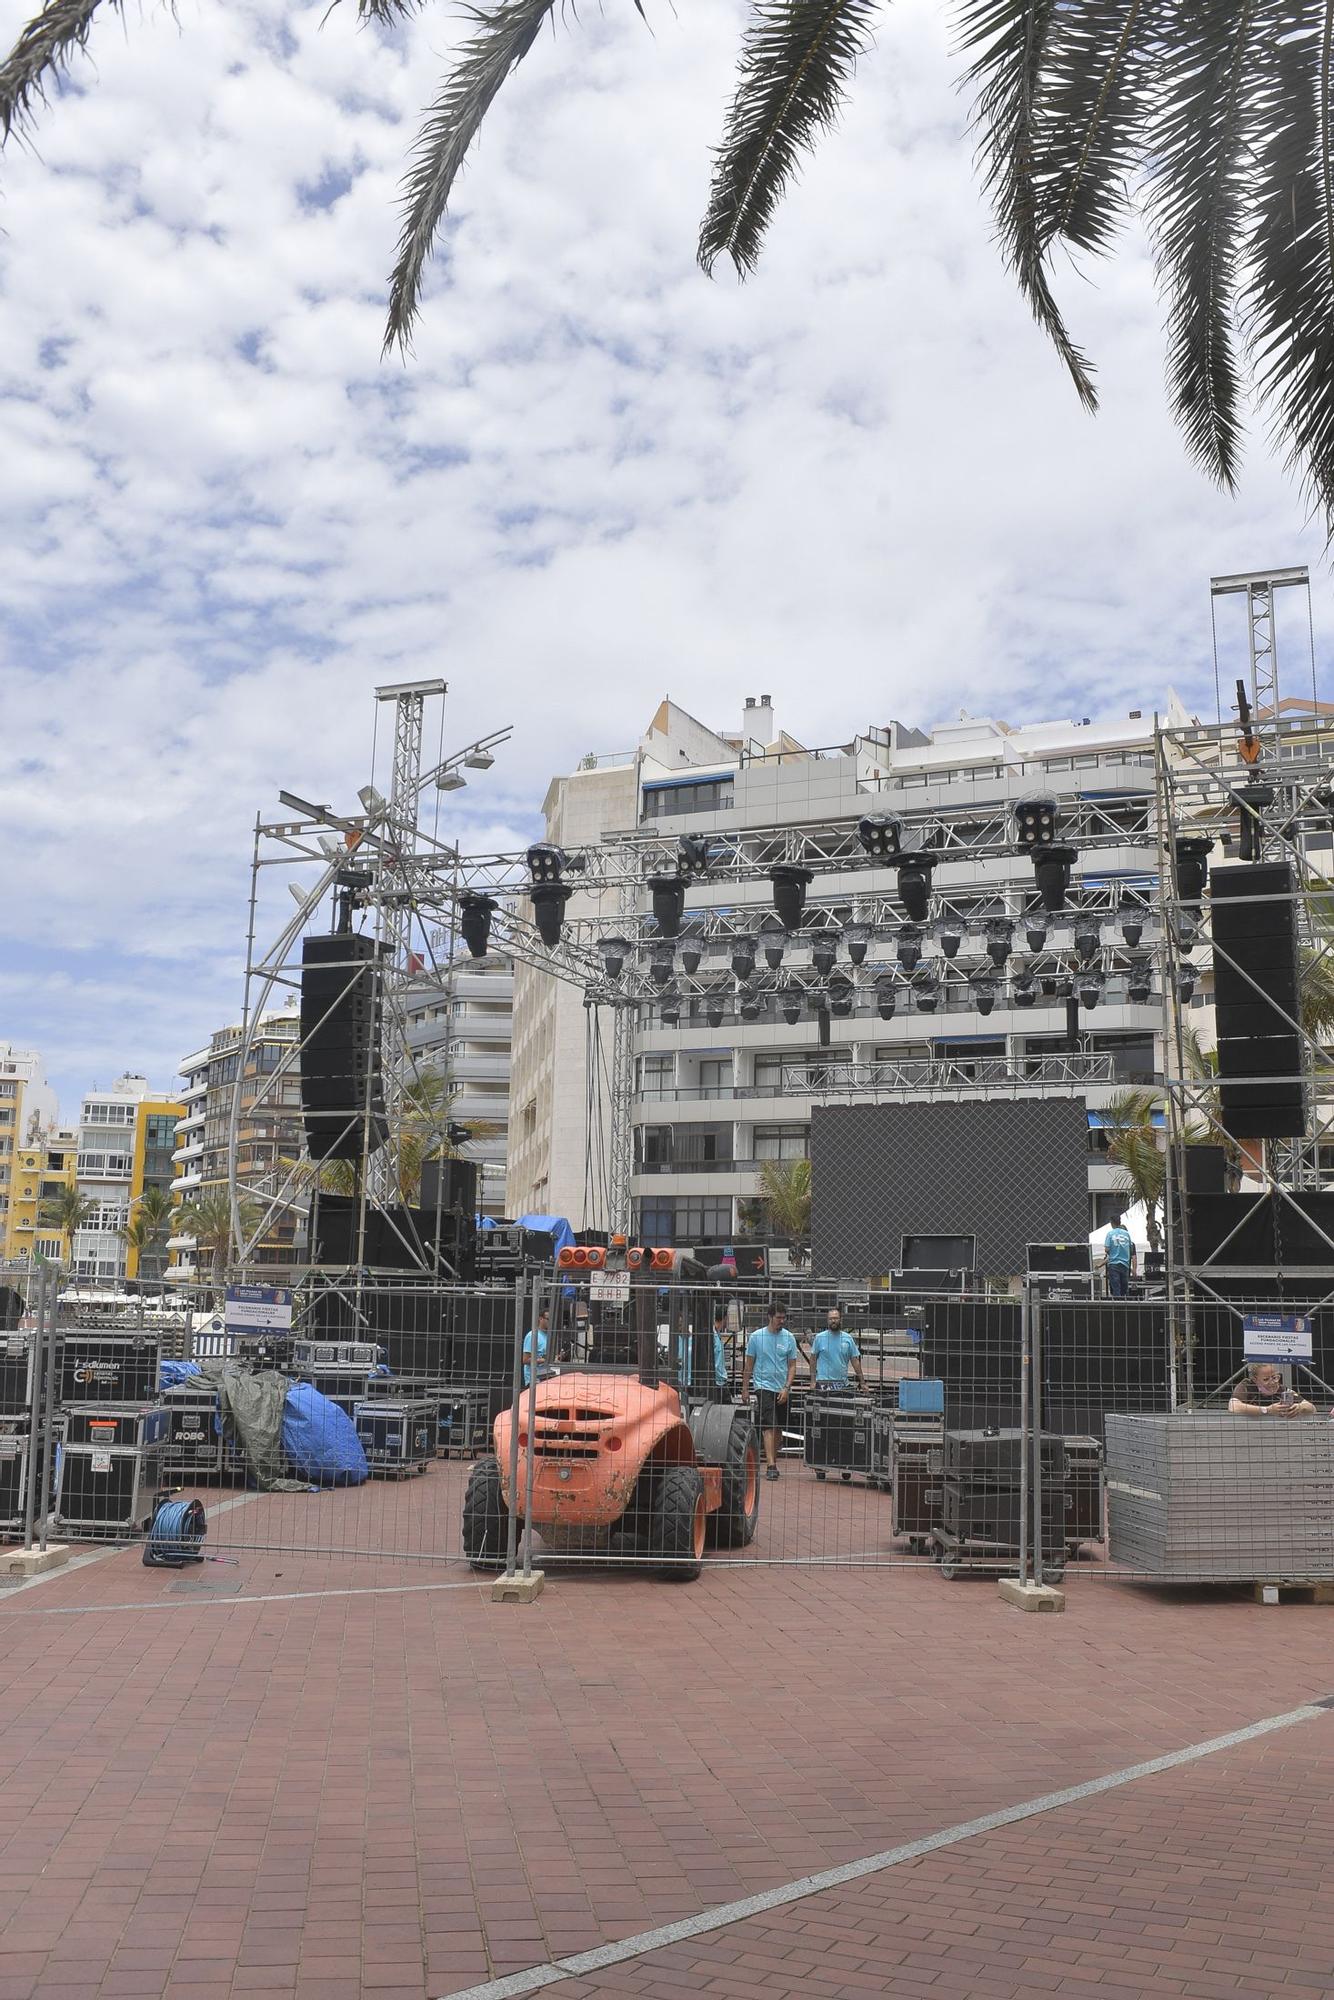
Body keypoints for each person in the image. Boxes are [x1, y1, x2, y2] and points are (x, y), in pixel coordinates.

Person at [742, 1302, 799, 1480]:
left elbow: (792, 1365)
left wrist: (787, 1387)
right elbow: (749, 1365)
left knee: (778, 1427)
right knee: (769, 1424)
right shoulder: (756, 1337)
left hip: (781, 1387)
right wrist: (745, 1388)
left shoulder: (789, 1338)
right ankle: (770, 1464)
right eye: (778, 1318)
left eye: (784, 1318)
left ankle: (773, 1457)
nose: (781, 1321)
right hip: (763, 1385)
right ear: (770, 1317)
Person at [810, 1307, 865, 1394]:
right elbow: (813, 1360)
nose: (833, 1321)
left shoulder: (848, 1338)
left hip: (842, 1384)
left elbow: (855, 1362)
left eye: (835, 1318)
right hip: (823, 1384)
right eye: (831, 1319)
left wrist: (862, 1382)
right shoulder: (819, 1338)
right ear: (827, 1320)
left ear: (840, 1320)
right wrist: (813, 1381)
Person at [1228, 1362, 1315, 1417]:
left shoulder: (1283, 1390)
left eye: (1275, 1377)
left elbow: (1312, 1408)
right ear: (1255, 1380)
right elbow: (1233, 1406)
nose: (1272, 1382)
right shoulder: (1247, 1386)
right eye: (1266, 1379)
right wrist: (1267, 1410)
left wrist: (1299, 1407)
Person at [1103, 1214, 1136, 1298]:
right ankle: (1125, 1304)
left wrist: (1113, 1252)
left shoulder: (1110, 1234)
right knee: (1124, 1288)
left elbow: (1107, 1249)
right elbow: (1130, 1248)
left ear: (1111, 1223)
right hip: (1125, 1264)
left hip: (1114, 1263)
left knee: (1115, 1287)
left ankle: (1117, 1306)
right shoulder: (1127, 1234)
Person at [522, 1308, 552, 1388]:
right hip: (534, 1380)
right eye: (548, 1319)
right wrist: (544, 1360)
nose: (550, 1322)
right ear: (540, 1319)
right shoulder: (532, 1335)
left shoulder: (549, 1336)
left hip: (546, 1378)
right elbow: (525, 1359)